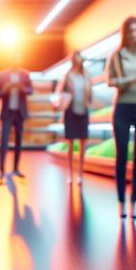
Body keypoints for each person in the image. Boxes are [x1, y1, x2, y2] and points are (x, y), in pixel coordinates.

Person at [106, 16, 136, 220]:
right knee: (121, 157)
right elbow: (110, 81)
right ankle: (120, 202)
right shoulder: (116, 55)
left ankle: (134, 202)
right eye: (131, 31)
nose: (135, 34)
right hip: (123, 108)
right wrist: (132, 79)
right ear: (125, 34)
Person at [0, 52, 34, 183]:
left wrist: (22, 88)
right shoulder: (3, 74)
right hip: (7, 113)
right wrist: (5, 90)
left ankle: (16, 169)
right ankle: (2, 171)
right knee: (3, 142)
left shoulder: (25, 74)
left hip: (20, 113)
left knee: (19, 142)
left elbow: (31, 91)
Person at [53, 50, 91, 183]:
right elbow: (60, 92)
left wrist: (89, 101)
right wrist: (61, 102)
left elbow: (90, 93)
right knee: (70, 144)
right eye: (76, 57)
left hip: (83, 111)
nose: (78, 59)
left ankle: (80, 173)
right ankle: (70, 172)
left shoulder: (86, 75)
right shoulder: (67, 75)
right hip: (70, 111)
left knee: (82, 144)